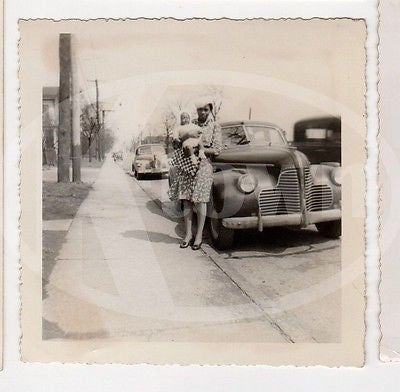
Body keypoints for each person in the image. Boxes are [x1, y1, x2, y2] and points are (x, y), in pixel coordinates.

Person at [168, 101, 222, 250]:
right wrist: (184, 136)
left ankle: (198, 237)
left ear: (210, 110)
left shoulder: (215, 126)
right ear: (196, 110)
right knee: (186, 199)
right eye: (200, 109)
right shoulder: (189, 124)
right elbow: (176, 144)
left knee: (200, 200)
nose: (203, 112)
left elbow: (217, 149)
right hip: (186, 164)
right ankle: (188, 235)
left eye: (206, 109)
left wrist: (198, 149)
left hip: (204, 165)